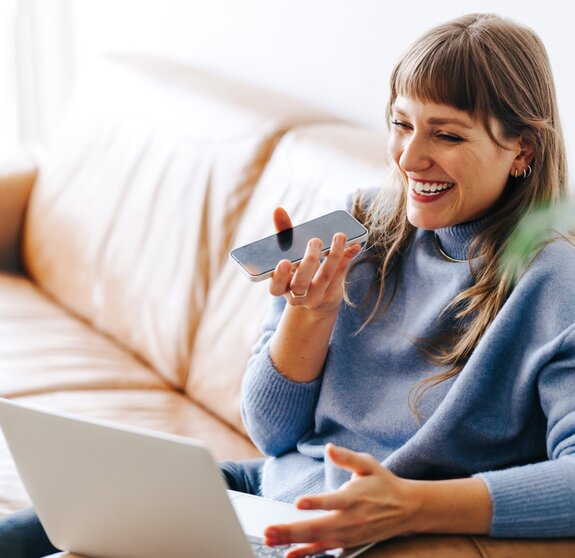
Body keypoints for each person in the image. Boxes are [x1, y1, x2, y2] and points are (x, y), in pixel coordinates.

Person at [1, 12, 574, 558]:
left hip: (345, 530)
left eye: (446, 136)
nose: (410, 158)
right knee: (41, 524)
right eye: (401, 124)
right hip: (265, 489)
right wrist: (310, 314)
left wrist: (412, 507)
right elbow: (271, 434)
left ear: (521, 148)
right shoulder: (360, 221)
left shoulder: (551, 281)